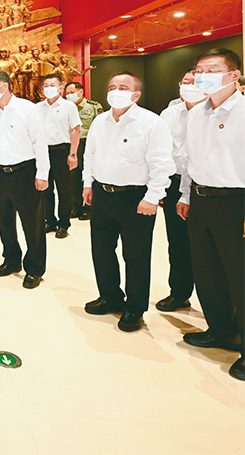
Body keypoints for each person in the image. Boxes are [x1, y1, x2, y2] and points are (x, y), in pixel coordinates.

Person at [82, 72, 172, 332]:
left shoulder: (151, 123)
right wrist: (88, 184)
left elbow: (161, 164)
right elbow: (90, 155)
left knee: (136, 255)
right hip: (102, 194)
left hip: (136, 198)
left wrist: (152, 197)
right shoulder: (100, 121)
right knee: (102, 250)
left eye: (123, 87)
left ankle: (135, 307)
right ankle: (110, 296)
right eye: (112, 87)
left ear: (136, 94)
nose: (115, 91)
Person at [177, 48, 244, 381]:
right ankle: (221, 331)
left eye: (213, 70)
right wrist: (186, 194)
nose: (202, 76)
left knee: (240, 276)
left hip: (236, 202)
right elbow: (191, 159)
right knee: (207, 271)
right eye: (199, 70)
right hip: (201, 200)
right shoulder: (195, 114)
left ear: (234, 75)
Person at [0, 69, 49, 289]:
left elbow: (40, 143)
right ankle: (11, 260)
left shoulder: (27, 109)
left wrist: (42, 174)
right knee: (5, 221)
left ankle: (35, 268)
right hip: (1, 173)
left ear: (5, 85)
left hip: (25, 172)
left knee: (32, 223)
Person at [156, 70, 204, 312]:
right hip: (174, 184)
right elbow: (159, 151)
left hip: (205, 185)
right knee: (177, 242)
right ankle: (179, 293)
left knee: (208, 246)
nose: (189, 86)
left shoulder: (212, 112)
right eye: (185, 82)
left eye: (195, 83)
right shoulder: (169, 113)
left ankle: (218, 305)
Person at [37, 74, 81, 239]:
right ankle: (50, 221)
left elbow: (75, 130)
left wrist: (73, 154)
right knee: (45, 189)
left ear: (61, 87)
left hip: (62, 151)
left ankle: (64, 224)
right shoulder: (37, 108)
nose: (49, 88)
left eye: (52, 84)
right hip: (43, 152)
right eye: (46, 85)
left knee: (64, 190)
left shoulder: (69, 107)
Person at [65, 81, 103, 220]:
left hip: (88, 144)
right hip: (72, 145)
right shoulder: (65, 108)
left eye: (72, 92)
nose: (69, 96)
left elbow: (101, 127)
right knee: (73, 177)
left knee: (88, 175)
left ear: (80, 92)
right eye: (67, 93)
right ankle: (76, 207)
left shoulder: (93, 106)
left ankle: (89, 207)